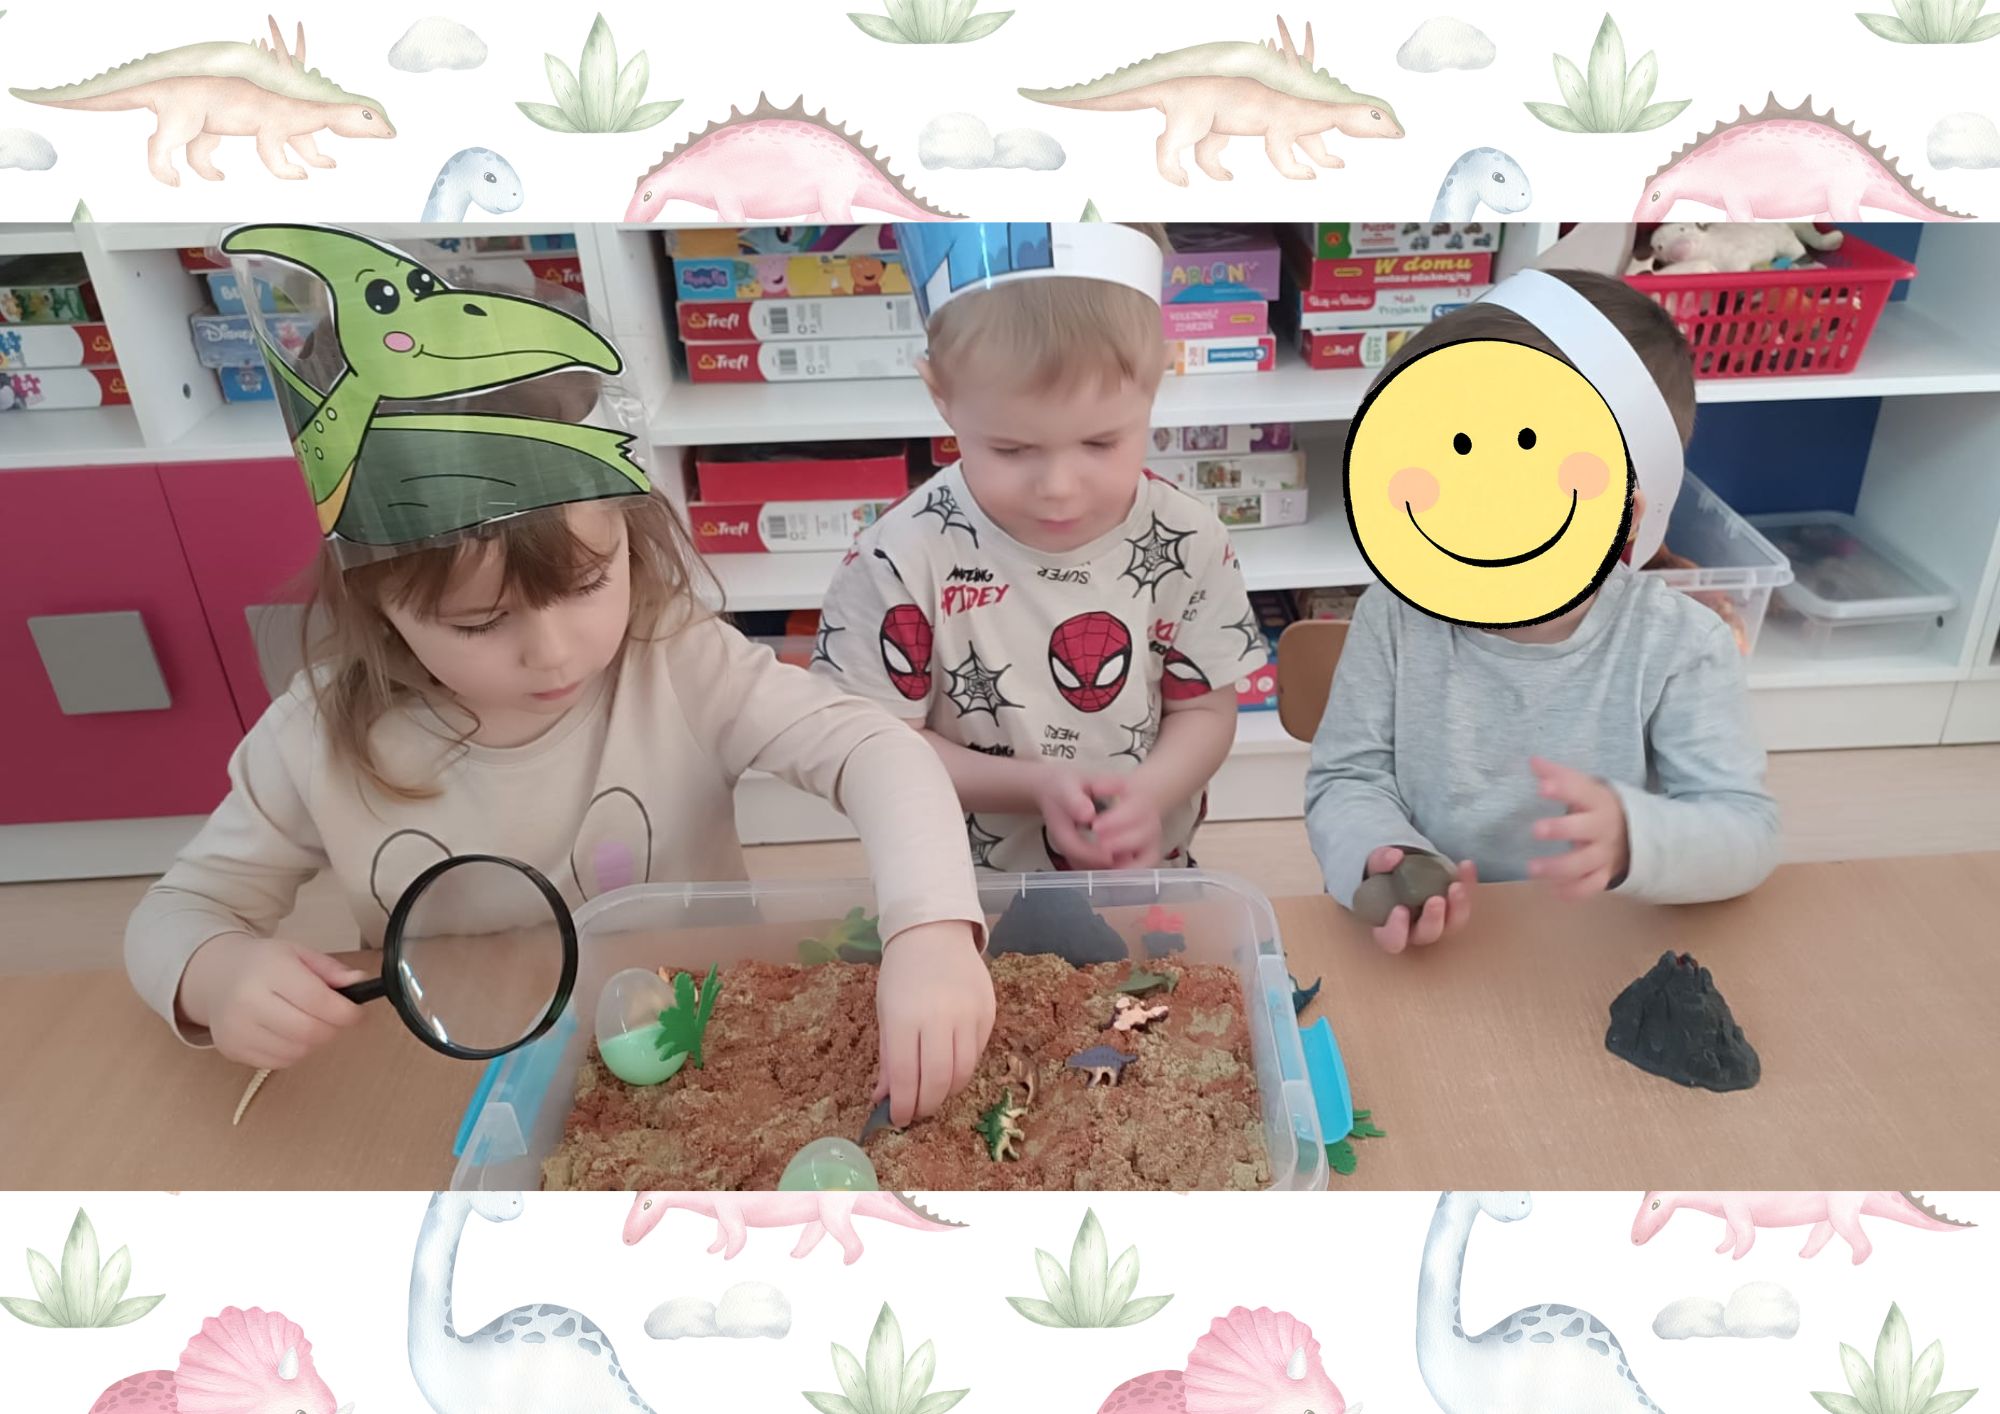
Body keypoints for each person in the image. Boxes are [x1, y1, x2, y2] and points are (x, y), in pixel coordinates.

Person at [126, 224, 993, 1126]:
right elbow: (178, 910)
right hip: (455, 1087)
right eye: (478, 623)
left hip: (703, 1053)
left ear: (630, 539)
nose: (552, 651)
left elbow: (878, 752)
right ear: (377, 604)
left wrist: (930, 928)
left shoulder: (677, 662)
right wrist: (214, 975)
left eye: (587, 585)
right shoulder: (316, 737)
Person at [1306, 267, 1781, 953]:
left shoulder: (1680, 645)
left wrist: (1637, 841)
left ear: (1623, 517)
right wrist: (1386, 856)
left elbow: (1746, 830)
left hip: (1601, 949)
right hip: (1440, 950)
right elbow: (1347, 779)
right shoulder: (1394, 617)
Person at [812, 221, 1264, 872]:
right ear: (941, 395)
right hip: (955, 896)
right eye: (1012, 449)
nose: (1058, 487)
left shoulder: (1188, 540)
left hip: (1142, 880)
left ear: (1157, 384)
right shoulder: (898, 560)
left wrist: (1151, 793)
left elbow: (1206, 708)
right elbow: (875, 744)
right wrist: (1035, 787)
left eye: (1100, 443)